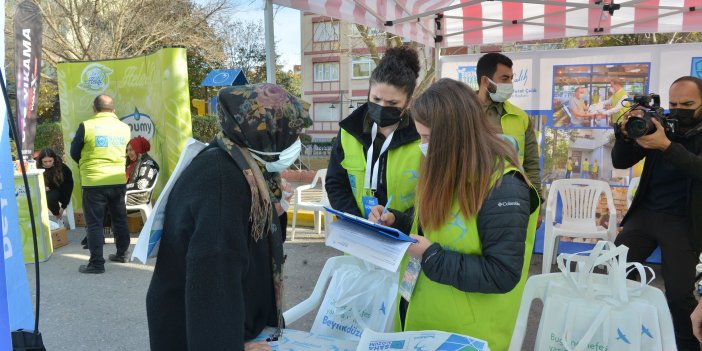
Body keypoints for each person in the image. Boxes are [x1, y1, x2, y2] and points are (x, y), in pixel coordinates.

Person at [371, 79, 539, 350]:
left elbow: (502, 273)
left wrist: (430, 256)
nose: (421, 145)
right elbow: (436, 226)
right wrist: (397, 220)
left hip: (467, 335)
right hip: (424, 322)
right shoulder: (450, 165)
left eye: (427, 138)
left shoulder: (504, 185)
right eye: (420, 136)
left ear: (455, 135)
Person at [146, 83, 311, 350]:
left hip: (235, 324)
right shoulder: (221, 183)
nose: (297, 142)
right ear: (266, 133)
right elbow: (213, 277)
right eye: (291, 134)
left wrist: (274, 210)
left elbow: (246, 234)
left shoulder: (241, 162)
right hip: (200, 333)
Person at [613, 76, 702, 351]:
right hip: (647, 212)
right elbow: (620, 161)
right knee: (613, 272)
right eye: (673, 103)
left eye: (687, 104)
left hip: (684, 221)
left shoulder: (670, 136)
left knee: (678, 294)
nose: (678, 109)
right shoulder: (660, 124)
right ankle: (620, 334)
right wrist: (625, 137)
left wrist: (666, 145)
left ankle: (688, 345)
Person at [326, 46, 422, 228]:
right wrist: (357, 221)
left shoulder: (422, 138)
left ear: (408, 102)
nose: (382, 106)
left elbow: (431, 197)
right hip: (360, 239)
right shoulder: (349, 131)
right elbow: (336, 183)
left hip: (406, 244)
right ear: (368, 92)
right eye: (376, 99)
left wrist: (398, 220)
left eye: (392, 103)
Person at [70, 95, 131, 274]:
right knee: (119, 219)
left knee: (94, 224)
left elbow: (75, 152)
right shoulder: (125, 128)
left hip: (94, 181)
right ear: (114, 109)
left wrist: (86, 165)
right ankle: (123, 253)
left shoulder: (87, 126)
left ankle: (97, 264)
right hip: (118, 180)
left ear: (94, 108)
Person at [476, 52, 542, 216]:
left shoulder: (521, 117)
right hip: (470, 200)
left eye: (512, 78)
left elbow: (531, 165)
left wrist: (537, 203)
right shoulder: (459, 112)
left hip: (511, 201)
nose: (510, 84)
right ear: (486, 81)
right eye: (505, 79)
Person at [36, 148, 74, 220]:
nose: (48, 164)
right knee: (49, 197)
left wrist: (63, 207)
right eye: (45, 162)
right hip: (48, 191)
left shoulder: (62, 167)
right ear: (41, 161)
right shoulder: (37, 167)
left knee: (51, 197)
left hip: (62, 189)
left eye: (50, 161)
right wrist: (43, 186)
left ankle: (58, 216)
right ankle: (57, 215)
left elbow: (68, 186)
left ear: (54, 159)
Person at [125, 136, 159, 206]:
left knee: (106, 200)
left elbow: (141, 185)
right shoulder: (134, 163)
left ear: (138, 149)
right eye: (127, 150)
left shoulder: (148, 163)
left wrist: (122, 187)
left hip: (139, 197)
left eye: (131, 150)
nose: (128, 153)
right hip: (131, 195)